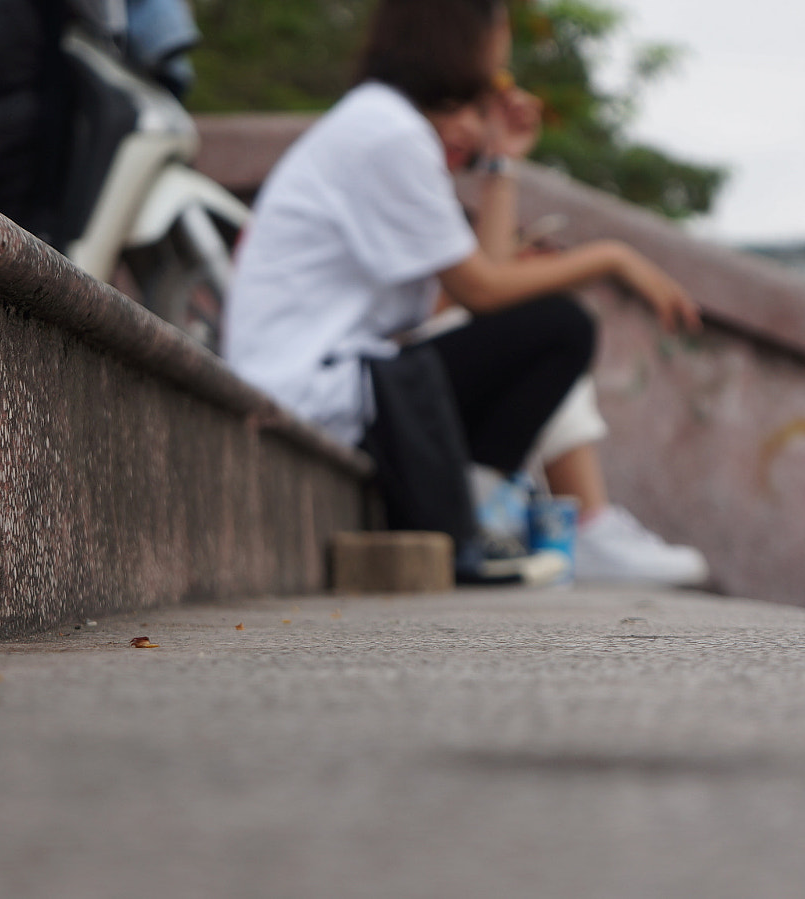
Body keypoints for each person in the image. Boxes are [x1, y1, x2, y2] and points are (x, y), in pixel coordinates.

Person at [223, 0, 701, 584]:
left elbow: (484, 285)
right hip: (313, 387)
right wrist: (613, 257)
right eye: (499, 32)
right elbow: (484, 290)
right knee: (561, 328)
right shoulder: (389, 134)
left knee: (541, 327)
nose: (504, 56)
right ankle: (515, 514)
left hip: (336, 376)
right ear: (464, 35)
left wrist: (500, 163)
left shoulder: (380, 123)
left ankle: (493, 510)